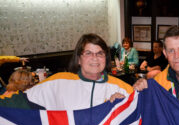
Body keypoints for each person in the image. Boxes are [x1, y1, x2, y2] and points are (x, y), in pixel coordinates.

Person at [0, 33, 133, 110]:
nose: (94, 58)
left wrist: (139, 92)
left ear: (106, 58)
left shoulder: (121, 88)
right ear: (79, 59)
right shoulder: (58, 81)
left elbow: (146, 108)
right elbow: (22, 100)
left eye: (100, 53)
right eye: (88, 53)